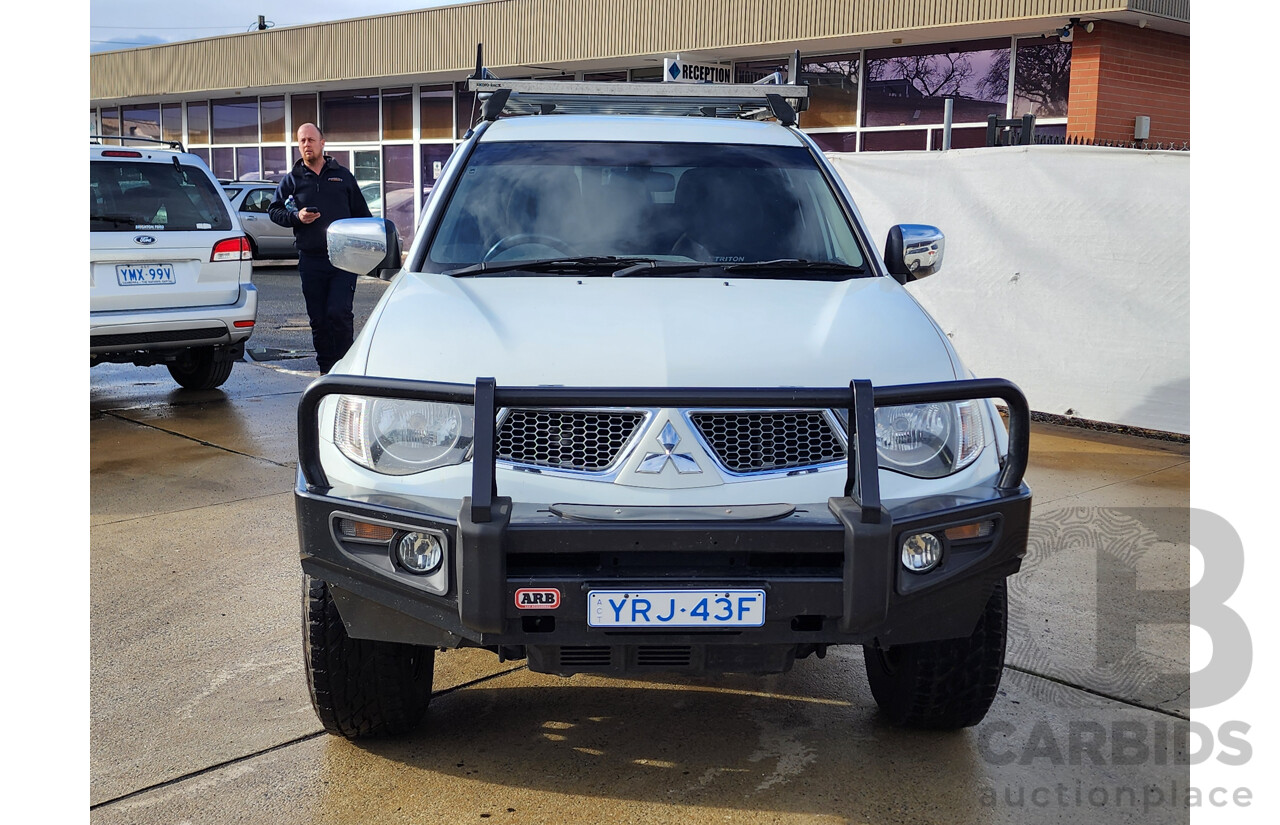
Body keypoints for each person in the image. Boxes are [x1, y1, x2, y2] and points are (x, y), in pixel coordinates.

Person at [269, 123, 372, 374]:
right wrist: (296, 217)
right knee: (319, 319)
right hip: (311, 259)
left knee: (339, 313)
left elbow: (363, 215)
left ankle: (346, 369)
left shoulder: (343, 176)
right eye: (302, 141)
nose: (306, 145)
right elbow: (274, 210)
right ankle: (326, 371)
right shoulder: (292, 180)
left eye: (311, 140)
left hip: (343, 259)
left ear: (322, 143)